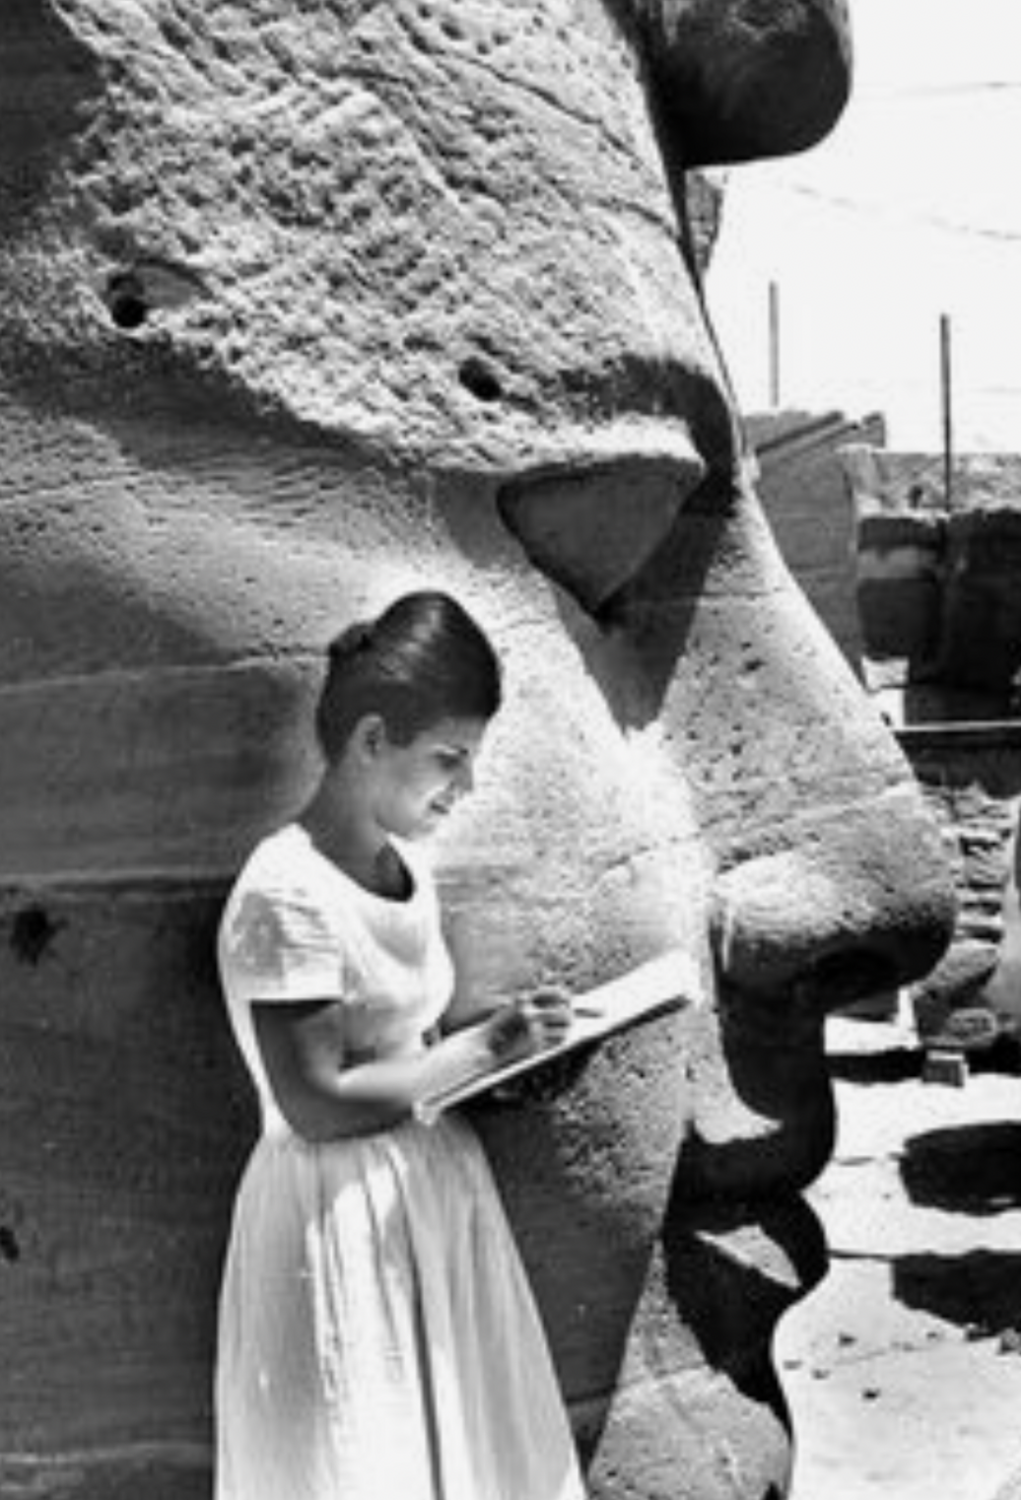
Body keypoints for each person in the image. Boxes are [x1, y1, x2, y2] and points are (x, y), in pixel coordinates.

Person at [214, 589, 587, 1500]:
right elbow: (315, 1101)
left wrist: (514, 1047)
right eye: (448, 760)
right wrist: (483, 1052)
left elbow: (405, 1043)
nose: (465, 787)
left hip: (433, 1195)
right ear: (372, 740)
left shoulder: (404, 866)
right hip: (334, 1221)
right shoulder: (285, 892)